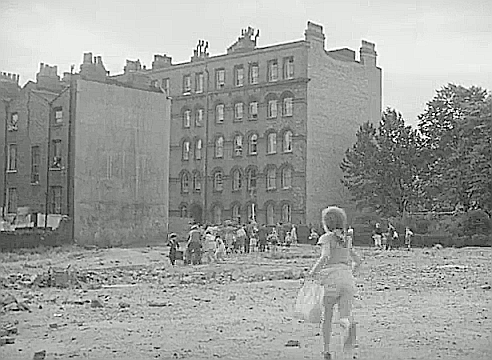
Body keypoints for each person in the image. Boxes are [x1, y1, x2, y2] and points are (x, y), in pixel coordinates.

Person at [308, 206, 362, 360]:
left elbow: (325, 256)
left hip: (330, 278)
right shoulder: (347, 239)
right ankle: (348, 353)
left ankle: (326, 350)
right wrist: (350, 273)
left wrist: (312, 273)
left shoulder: (326, 238)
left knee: (327, 317)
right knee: (346, 317)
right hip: (347, 277)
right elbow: (359, 261)